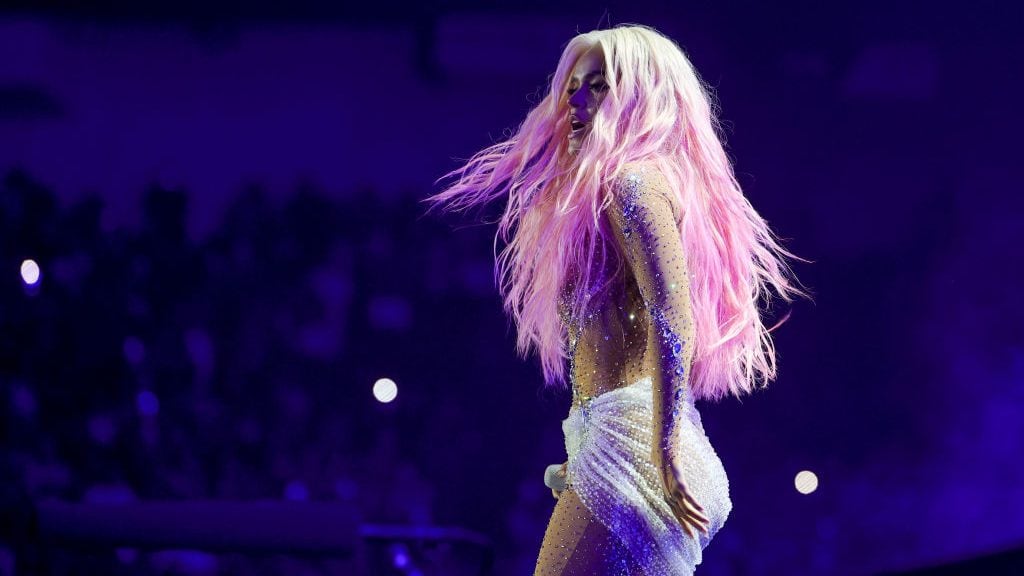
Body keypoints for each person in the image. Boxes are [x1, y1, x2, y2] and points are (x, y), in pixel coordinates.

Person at [423, 23, 809, 575]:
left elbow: (671, 315)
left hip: (640, 448)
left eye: (599, 86)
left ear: (642, 97)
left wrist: (665, 449)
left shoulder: (633, 183)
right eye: (575, 86)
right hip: (620, 440)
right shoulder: (614, 187)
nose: (576, 101)